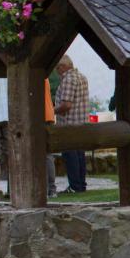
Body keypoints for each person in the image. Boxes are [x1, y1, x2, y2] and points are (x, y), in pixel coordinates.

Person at [55, 55, 89, 193]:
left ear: (62, 67)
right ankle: (81, 185)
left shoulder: (68, 79)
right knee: (80, 155)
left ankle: (75, 186)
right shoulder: (82, 76)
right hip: (81, 123)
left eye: (57, 68)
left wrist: (52, 110)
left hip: (69, 124)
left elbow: (66, 105)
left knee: (70, 156)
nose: (57, 72)